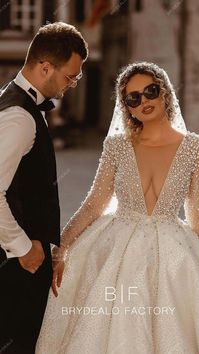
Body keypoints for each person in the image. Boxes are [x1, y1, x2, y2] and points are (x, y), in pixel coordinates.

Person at [36, 62, 199, 354]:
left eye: (150, 91)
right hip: (116, 250)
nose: (144, 101)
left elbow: (198, 214)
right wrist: (61, 249)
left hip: (175, 257)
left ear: (164, 93)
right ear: (126, 107)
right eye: (133, 98)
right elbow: (95, 203)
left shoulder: (197, 147)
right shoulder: (117, 146)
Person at [0, 22, 88, 354]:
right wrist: (23, 247)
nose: (72, 85)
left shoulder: (16, 103)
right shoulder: (19, 117)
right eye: (70, 77)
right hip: (17, 265)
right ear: (45, 66)